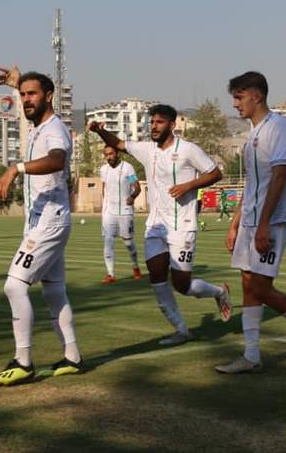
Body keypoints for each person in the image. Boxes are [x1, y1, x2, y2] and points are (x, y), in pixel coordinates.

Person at [216, 71, 286, 374]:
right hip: (251, 220)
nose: (235, 104)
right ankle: (252, 356)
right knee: (247, 284)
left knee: (262, 288)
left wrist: (264, 223)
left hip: (273, 219)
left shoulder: (277, 128)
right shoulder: (253, 133)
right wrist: (235, 223)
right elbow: (253, 183)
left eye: (238, 97)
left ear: (256, 95)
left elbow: (280, 176)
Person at [89, 105, 232, 346]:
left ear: (172, 125)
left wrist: (189, 186)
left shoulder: (188, 150)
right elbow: (120, 143)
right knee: (156, 279)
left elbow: (215, 173)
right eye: (152, 122)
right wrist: (99, 132)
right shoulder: (147, 150)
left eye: (159, 122)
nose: (153, 126)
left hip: (182, 225)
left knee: (182, 285)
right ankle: (181, 330)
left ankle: (219, 292)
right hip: (155, 226)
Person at [0, 66, 83, 386]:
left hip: (49, 223)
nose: (26, 100)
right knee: (55, 292)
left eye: (32, 95)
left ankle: (23, 362)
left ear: (50, 97)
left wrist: (16, 168)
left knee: (14, 285)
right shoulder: (39, 126)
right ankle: (72, 357)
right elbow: (31, 97)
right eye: (23, 95)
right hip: (43, 221)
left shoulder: (55, 130)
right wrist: (18, 84)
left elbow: (57, 160)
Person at [99, 145, 142, 283]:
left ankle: (135, 266)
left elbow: (137, 187)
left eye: (111, 154)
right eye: (106, 155)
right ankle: (110, 274)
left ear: (117, 153)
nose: (109, 157)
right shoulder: (103, 170)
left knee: (128, 243)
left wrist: (132, 197)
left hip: (125, 211)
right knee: (108, 241)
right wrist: (104, 204)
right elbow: (104, 188)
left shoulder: (127, 168)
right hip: (109, 212)